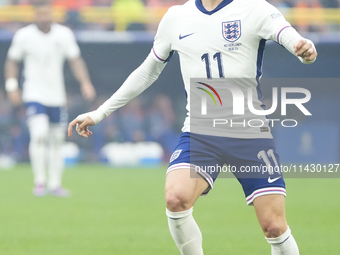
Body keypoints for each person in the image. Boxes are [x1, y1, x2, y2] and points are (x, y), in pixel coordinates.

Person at [68, 0, 317, 254]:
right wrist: (100, 112)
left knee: (273, 226)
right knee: (176, 198)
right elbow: (147, 72)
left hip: (248, 131)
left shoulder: (253, 7)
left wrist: (301, 47)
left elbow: (288, 35)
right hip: (200, 131)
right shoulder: (177, 17)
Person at [5, 2, 96, 197]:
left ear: (52, 13)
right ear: (35, 14)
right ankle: (39, 182)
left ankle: (55, 184)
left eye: (47, 13)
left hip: (56, 95)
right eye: (41, 14)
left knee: (56, 139)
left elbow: (75, 60)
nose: (44, 17)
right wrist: (12, 86)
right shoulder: (24, 36)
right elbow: (12, 61)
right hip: (33, 93)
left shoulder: (63, 34)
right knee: (39, 133)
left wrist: (85, 82)